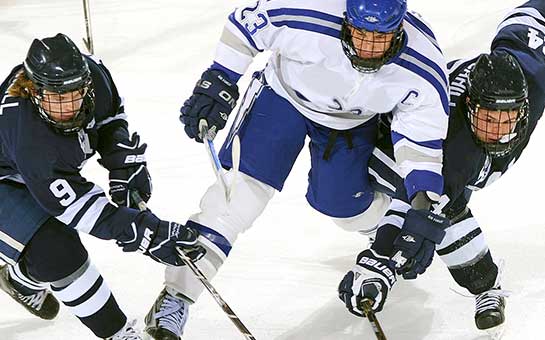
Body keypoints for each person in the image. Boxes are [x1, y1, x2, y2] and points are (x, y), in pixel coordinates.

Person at [144, 0, 451, 339]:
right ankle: (177, 296)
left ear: (400, 28)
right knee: (239, 197)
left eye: (381, 37)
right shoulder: (308, 9)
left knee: (342, 206)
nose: (368, 47)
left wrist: (420, 205)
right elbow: (244, 24)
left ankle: (385, 229)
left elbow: (421, 138)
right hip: (282, 98)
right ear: (346, 19)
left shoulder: (423, 64)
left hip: (351, 124)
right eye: (361, 33)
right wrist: (221, 77)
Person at [338, 0, 545, 336]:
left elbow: (531, 20)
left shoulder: (532, 74)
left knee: (445, 201)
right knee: (439, 204)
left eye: (507, 119)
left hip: (450, 158)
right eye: (488, 119)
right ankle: (484, 286)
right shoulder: (453, 137)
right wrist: (380, 263)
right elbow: (420, 204)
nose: (498, 131)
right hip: (387, 146)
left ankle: (486, 287)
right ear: (469, 106)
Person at [0, 33, 204, 339]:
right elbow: (83, 209)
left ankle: (22, 279)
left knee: (48, 254)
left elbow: (110, 120)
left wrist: (121, 162)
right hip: (8, 178)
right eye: (56, 99)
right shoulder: (30, 135)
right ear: (35, 91)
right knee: (58, 252)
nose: (67, 107)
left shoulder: (94, 74)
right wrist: (144, 232)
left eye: (74, 94)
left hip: (25, 167)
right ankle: (119, 334)